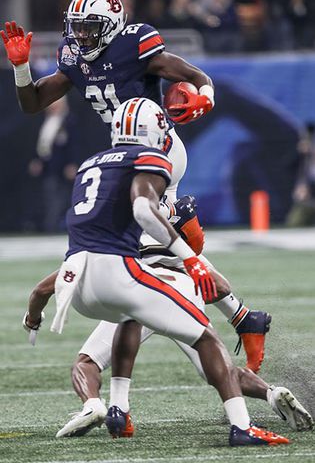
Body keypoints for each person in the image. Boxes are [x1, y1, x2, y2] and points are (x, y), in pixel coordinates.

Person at [1, 0, 272, 373]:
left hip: (157, 151)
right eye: (76, 27)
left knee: (150, 241)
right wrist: (21, 67)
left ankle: (233, 318)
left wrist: (205, 96)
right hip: (126, 156)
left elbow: (194, 75)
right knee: (157, 247)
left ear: (111, 27)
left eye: (90, 28)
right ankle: (244, 317)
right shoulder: (74, 56)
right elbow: (32, 104)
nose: (81, 36)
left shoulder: (135, 45)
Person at [24, 97, 294, 446]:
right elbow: (145, 211)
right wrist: (192, 257)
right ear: (152, 131)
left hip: (78, 275)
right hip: (127, 273)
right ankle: (242, 426)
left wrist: (33, 316)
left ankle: (116, 407)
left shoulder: (91, 165)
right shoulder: (150, 162)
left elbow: (46, 284)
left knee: (122, 323)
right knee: (206, 341)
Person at [24, 194, 313, 438]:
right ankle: (270, 395)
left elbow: (44, 288)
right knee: (219, 370)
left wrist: (32, 319)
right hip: (181, 298)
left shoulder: (118, 238)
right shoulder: (185, 251)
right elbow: (221, 287)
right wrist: (226, 309)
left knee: (87, 361)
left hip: (138, 295)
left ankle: (100, 406)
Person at [27, 96, 78, 232]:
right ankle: (48, 226)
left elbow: (73, 144)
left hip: (62, 166)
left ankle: (54, 227)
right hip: (47, 166)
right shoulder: (45, 120)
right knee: (48, 197)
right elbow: (41, 144)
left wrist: (72, 163)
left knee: (60, 198)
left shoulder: (69, 121)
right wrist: (37, 159)